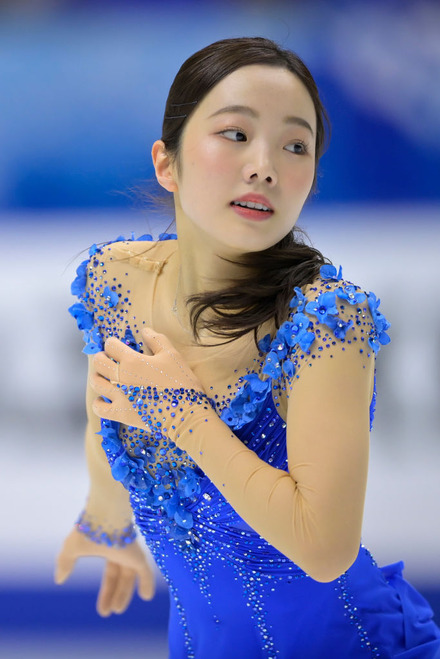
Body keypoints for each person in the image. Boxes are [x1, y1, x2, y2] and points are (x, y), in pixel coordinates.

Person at [55, 37, 440, 658]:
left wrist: (187, 420)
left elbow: (324, 548)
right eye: (235, 134)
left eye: (295, 146)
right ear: (167, 162)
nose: (265, 164)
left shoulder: (325, 321)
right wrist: (104, 519)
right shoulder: (115, 278)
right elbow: (111, 411)